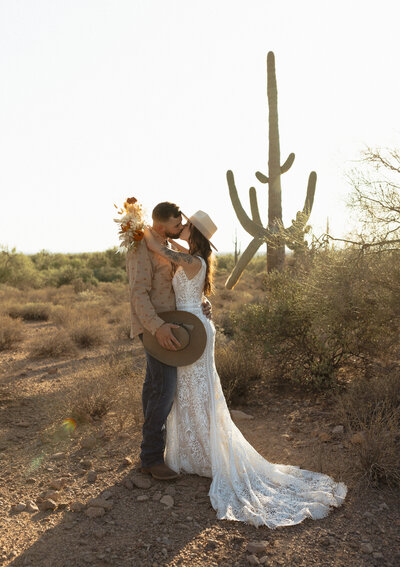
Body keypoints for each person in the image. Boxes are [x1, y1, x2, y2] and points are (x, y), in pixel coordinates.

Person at [143, 210, 348, 529]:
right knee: (191, 391)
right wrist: (165, 233)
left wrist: (139, 228)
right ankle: (192, 452)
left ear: (194, 234)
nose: (181, 227)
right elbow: (172, 253)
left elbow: (161, 250)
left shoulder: (192, 260)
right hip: (192, 325)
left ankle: (203, 454)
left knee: (197, 391)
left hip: (194, 331)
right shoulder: (194, 256)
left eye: (186, 226)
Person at [126, 202, 212, 481]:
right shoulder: (141, 245)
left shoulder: (167, 246)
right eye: (177, 225)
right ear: (162, 226)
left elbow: (189, 277)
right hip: (157, 327)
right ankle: (151, 457)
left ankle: (149, 455)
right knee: (163, 390)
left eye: (183, 226)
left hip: (175, 324)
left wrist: (202, 303)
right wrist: (157, 327)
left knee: (155, 387)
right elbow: (138, 294)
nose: (180, 229)